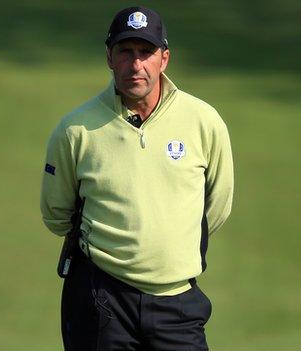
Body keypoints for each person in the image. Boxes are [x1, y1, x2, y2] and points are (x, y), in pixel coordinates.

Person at [40, 6, 233, 350]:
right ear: (109, 58)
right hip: (102, 300)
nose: (136, 64)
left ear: (165, 59)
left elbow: (216, 207)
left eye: (146, 52)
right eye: (125, 52)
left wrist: (169, 243)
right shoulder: (75, 129)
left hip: (178, 303)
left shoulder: (204, 121)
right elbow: (57, 214)